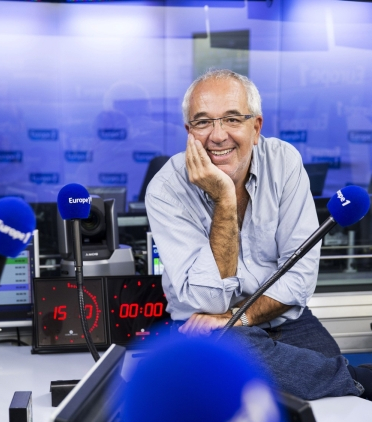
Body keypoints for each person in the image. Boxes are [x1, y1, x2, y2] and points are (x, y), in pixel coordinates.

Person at [145, 69, 372, 401]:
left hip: (287, 321)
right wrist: (224, 198)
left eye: (233, 119)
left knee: (338, 411)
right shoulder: (165, 189)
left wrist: (243, 317)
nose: (218, 135)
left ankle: (346, 382)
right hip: (212, 332)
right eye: (203, 122)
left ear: (256, 127)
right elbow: (207, 301)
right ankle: (357, 379)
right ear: (188, 132)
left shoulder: (284, 162)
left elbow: (299, 280)